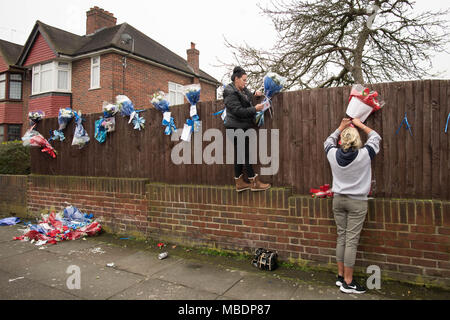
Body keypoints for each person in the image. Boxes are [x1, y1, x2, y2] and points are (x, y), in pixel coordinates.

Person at [324, 117, 382, 294]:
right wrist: (360, 125)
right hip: (357, 202)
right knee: (351, 241)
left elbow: (328, 141)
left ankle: (341, 277)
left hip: (338, 200)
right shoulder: (365, 154)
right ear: (357, 140)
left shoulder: (332, 154)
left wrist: (340, 127)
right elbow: (376, 137)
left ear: (341, 140)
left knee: (341, 237)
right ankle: (348, 283)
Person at [223, 66, 271, 192]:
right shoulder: (229, 91)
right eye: (244, 80)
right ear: (237, 79)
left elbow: (248, 96)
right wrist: (255, 109)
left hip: (241, 126)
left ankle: (239, 183)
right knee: (244, 153)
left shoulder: (242, 89)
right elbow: (238, 111)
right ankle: (253, 182)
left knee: (240, 154)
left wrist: (256, 93)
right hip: (234, 127)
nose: (246, 82)